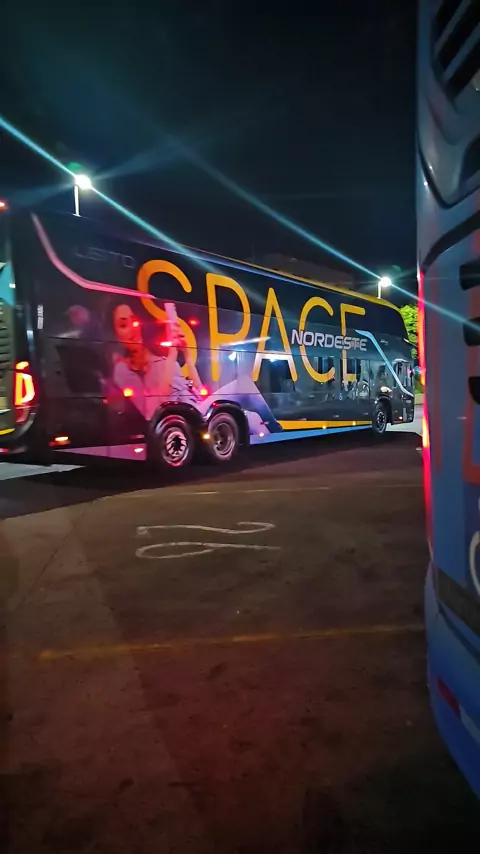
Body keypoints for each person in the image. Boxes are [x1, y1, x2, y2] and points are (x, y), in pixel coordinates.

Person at [111, 303, 204, 420]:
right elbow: (155, 411)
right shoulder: (125, 370)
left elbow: (198, 395)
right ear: (115, 335)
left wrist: (187, 355)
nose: (133, 328)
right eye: (123, 325)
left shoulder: (165, 362)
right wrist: (172, 355)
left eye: (134, 321)